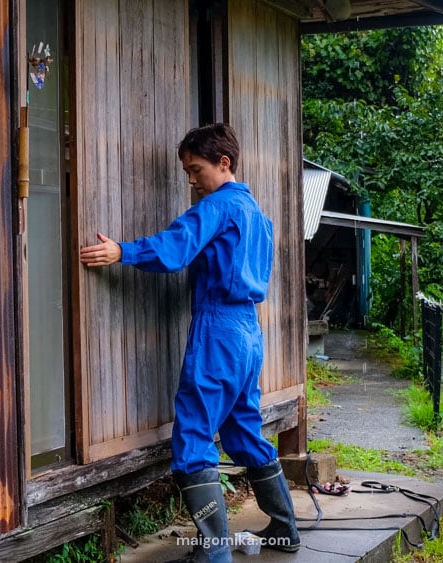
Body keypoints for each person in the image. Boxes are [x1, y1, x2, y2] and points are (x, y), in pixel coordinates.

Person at [79, 123, 300, 562]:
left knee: (195, 434)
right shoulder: (259, 216)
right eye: (187, 172)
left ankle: (213, 552)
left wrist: (123, 251)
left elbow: (177, 247)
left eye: (196, 170)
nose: (191, 180)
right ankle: (284, 527)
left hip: (218, 328)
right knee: (242, 429)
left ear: (224, 163)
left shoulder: (217, 207)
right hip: (248, 333)